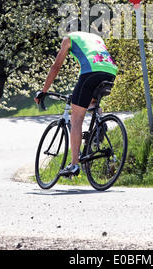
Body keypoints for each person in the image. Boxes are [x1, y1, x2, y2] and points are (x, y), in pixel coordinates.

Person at [35, 19, 118, 178]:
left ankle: (74, 165)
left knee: (76, 118)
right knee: (92, 101)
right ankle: (99, 125)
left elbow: (56, 67)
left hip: (91, 73)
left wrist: (43, 91)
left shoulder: (69, 38)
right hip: (110, 72)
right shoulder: (96, 38)